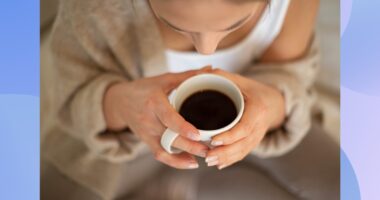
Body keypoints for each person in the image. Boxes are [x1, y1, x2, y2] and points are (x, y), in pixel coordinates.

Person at [41, 0, 339, 199]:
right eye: (174, 25)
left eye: (235, 25)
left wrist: (269, 108)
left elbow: (288, 74)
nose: (206, 53)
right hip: (128, 147)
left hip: (266, 137)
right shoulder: (95, 9)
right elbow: (71, 94)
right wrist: (120, 104)